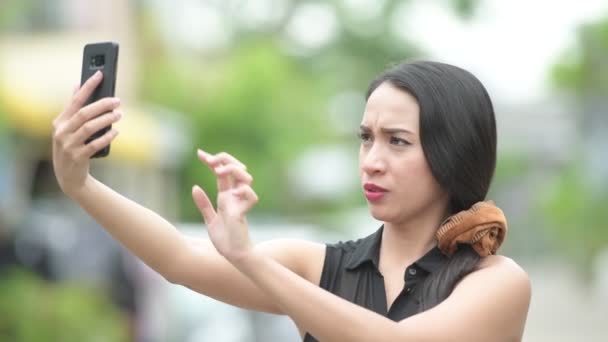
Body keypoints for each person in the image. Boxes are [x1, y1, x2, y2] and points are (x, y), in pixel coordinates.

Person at [52, 61, 531, 341]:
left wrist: (248, 259)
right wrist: (80, 185)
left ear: (452, 153)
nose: (371, 160)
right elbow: (180, 260)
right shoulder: (320, 265)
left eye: (397, 141)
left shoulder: (496, 282)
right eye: (366, 138)